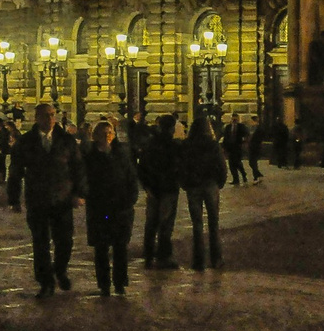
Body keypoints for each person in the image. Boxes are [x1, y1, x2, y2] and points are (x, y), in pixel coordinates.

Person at [7, 102, 87, 298]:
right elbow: (16, 170)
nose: (50, 119)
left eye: (52, 115)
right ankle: (45, 281)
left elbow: (78, 168)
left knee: (65, 241)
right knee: (40, 242)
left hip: (62, 198)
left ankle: (60, 270)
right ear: (36, 118)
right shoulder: (26, 142)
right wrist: (14, 198)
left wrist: (80, 193)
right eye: (45, 115)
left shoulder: (66, 140)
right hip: (37, 198)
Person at [83, 120, 139, 296]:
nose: (108, 136)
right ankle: (104, 283)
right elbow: (85, 180)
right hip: (100, 209)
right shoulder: (90, 156)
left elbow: (131, 177)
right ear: (96, 136)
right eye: (104, 133)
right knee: (101, 247)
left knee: (120, 246)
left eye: (110, 132)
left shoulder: (121, 153)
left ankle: (120, 282)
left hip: (120, 208)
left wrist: (131, 199)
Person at [179, 115, 227, 271]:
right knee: (214, 223)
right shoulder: (213, 145)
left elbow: (182, 166)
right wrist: (219, 182)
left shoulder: (187, 145)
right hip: (210, 184)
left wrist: (185, 183)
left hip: (193, 186)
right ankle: (216, 259)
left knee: (197, 224)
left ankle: (198, 261)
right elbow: (221, 165)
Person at [137, 114, 181, 268]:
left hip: (152, 189)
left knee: (151, 223)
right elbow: (177, 166)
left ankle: (148, 256)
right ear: (171, 128)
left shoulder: (149, 144)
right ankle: (164, 256)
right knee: (166, 223)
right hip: (168, 188)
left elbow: (141, 167)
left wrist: (146, 186)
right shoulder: (172, 145)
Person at [222, 113, 248, 186]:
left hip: (238, 148)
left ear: (238, 119)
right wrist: (224, 147)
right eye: (233, 119)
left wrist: (243, 143)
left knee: (238, 163)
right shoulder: (228, 127)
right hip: (230, 148)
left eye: (235, 119)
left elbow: (246, 135)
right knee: (231, 164)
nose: (234, 120)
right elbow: (225, 137)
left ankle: (243, 175)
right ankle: (235, 179)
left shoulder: (241, 127)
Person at [246, 116, 266, 182]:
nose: (250, 122)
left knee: (253, 162)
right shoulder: (251, 128)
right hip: (251, 147)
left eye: (251, 121)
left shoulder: (259, 129)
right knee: (251, 162)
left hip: (256, 147)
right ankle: (258, 174)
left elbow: (261, 138)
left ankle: (256, 177)